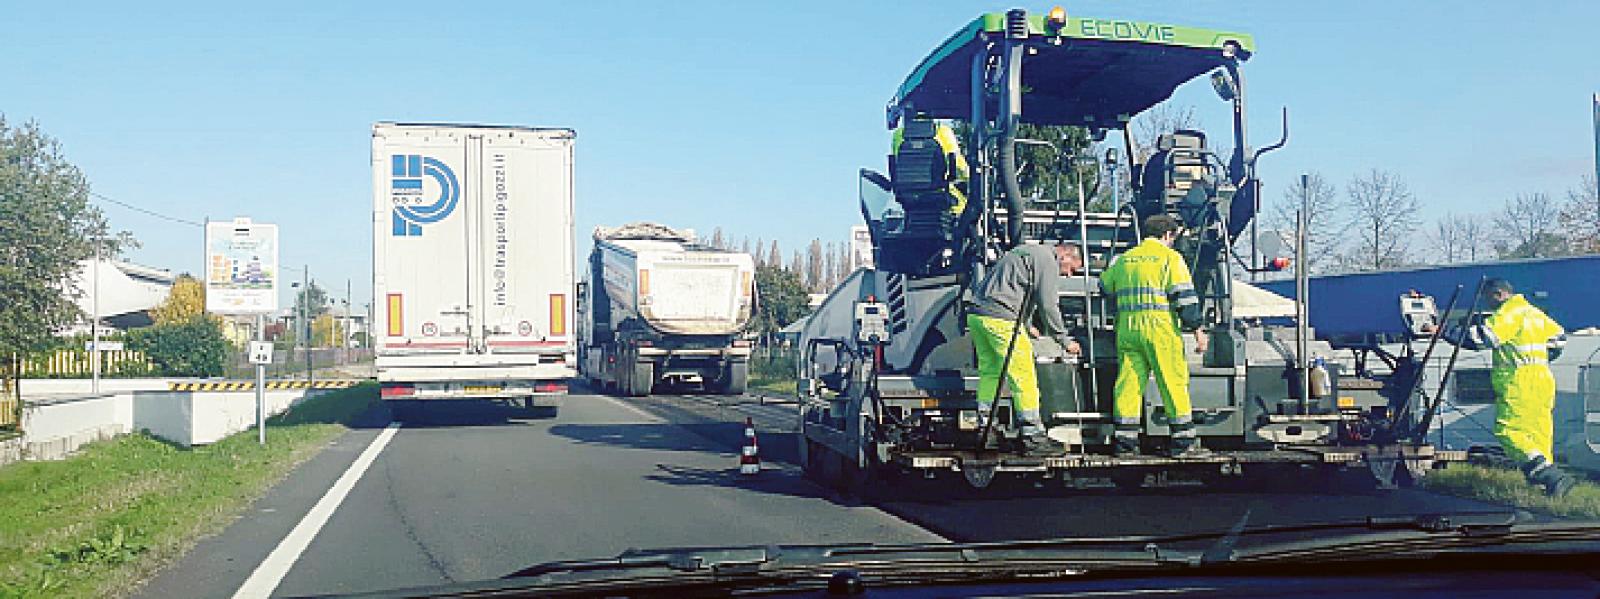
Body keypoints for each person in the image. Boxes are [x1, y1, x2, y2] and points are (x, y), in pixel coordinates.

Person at [1427, 278, 1575, 497]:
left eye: (1487, 298)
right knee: (1537, 434)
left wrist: (1442, 330)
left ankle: (1552, 476)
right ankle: (1547, 488)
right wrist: (1537, 360)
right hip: (1542, 378)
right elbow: (1559, 339)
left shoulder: (1508, 314)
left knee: (1509, 430)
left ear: (1497, 294)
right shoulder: (1533, 313)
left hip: (1517, 381)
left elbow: (1480, 338)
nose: (1486, 304)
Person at [1099, 214, 1208, 458]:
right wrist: (1198, 331)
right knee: (1172, 382)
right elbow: (1185, 299)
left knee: (1128, 383)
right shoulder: (1170, 258)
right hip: (1160, 329)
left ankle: (1125, 443)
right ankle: (1183, 442)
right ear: (1168, 235)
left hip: (1127, 329)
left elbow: (1104, 287)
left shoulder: (1124, 259)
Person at [968, 243, 1084, 454]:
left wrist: (1028, 325)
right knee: (1024, 377)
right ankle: (1033, 437)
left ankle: (986, 430)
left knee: (990, 374)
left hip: (978, 315)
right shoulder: (1048, 261)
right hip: (1002, 319)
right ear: (1065, 254)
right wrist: (1064, 340)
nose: (1068, 275)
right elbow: (1048, 304)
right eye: (1072, 268)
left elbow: (1016, 287)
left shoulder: (1027, 251)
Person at [892, 120, 969, 217]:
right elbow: (958, 165)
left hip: (910, 202)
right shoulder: (943, 132)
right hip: (940, 199)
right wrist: (969, 178)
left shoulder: (898, 134)